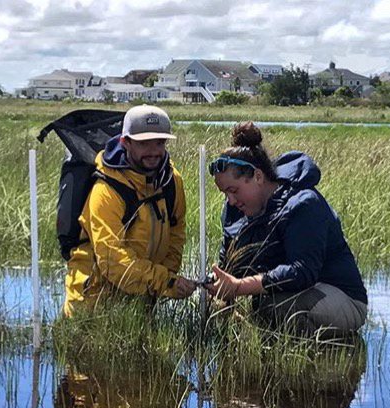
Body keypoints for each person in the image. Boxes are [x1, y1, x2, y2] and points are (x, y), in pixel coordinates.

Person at [204, 122, 367, 336]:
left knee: (275, 307)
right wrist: (217, 287)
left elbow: (302, 271)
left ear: (258, 177)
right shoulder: (235, 211)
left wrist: (239, 288)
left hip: (341, 296)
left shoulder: (303, 204)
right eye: (225, 193)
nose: (231, 200)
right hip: (285, 294)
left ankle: (318, 357)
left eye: (234, 190)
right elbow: (229, 266)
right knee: (211, 304)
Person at [63, 105, 196, 316]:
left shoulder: (171, 181)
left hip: (141, 298)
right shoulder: (106, 190)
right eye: (144, 143)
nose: (153, 151)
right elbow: (113, 260)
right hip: (93, 304)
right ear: (126, 142)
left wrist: (167, 277)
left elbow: (176, 233)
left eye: (159, 143)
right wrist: (166, 282)